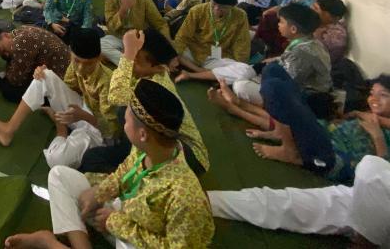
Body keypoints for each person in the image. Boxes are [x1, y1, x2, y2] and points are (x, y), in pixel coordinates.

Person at [4, 79, 214, 249]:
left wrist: (114, 222)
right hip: (125, 211)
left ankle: (49, 243)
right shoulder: (146, 148)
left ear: (142, 134)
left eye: (127, 120)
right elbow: (124, 172)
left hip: (134, 236)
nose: (123, 123)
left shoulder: (185, 197)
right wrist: (99, 194)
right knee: (59, 175)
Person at [213, 66, 389, 186]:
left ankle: (289, 150)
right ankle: (243, 109)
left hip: (330, 159)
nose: (373, 99)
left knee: (275, 89)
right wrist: (350, 118)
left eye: (383, 95)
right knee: (273, 70)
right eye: (372, 94)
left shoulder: (380, 130)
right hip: (324, 135)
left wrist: (377, 136)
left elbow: (382, 178)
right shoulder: (369, 116)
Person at [0, 28, 119, 169]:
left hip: (99, 133)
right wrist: (40, 71)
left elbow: (111, 131)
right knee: (44, 76)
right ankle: (9, 129)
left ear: (98, 58)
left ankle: (61, 128)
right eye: (76, 60)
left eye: (87, 64)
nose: (79, 68)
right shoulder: (75, 65)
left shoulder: (108, 81)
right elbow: (69, 87)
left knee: (56, 159)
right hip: (81, 109)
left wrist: (82, 115)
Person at [82, 29, 209, 176]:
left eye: (136, 61)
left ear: (158, 67)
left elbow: (116, 97)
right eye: (126, 54)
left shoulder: (156, 85)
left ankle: (131, 178)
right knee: (94, 156)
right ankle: (128, 164)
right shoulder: (149, 74)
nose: (128, 62)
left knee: (124, 113)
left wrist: (129, 53)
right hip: (154, 142)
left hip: (189, 156)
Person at [209, 155, 390, 248]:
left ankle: (366, 240)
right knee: (279, 203)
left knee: (373, 169)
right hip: (373, 199)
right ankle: (205, 200)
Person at [233, 4, 332, 105]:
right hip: (298, 91)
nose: (278, 25)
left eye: (281, 22)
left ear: (293, 29)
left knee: (241, 86)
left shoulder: (302, 51)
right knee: (248, 73)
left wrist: (261, 77)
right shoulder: (311, 43)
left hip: (304, 99)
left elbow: (286, 84)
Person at [172, 0, 253, 85]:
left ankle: (196, 74)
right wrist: (173, 58)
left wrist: (239, 66)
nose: (216, 9)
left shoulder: (240, 16)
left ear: (233, 5)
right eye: (214, 4)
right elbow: (182, 37)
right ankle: (204, 73)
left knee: (245, 70)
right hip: (193, 53)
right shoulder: (197, 10)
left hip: (218, 58)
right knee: (173, 48)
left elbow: (242, 44)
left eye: (223, 7)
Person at [101, 0, 169, 66]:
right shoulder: (111, 0)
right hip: (119, 38)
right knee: (102, 45)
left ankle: (127, 62)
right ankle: (132, 65)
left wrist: (166, 43)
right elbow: (111, 27)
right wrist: (123, 10)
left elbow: (160, 24)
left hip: (140, 40)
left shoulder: (145, 0)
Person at [0, 25, 70, 102]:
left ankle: (47, 101)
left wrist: (9, 73)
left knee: (9, 91)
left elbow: (17, 81)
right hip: (66, 67)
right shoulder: (19, 30)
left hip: (65, 83)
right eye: (2, 55)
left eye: (3, 50)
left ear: (5, 35)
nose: (6, 54)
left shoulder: (20, 45)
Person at [254, 0, 326, 56]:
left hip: (293, 30)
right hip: (282, 24)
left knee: (270, 19)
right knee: (268, 15)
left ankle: (262, 48)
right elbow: (281, 6)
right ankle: (260, 44)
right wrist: (270, 10)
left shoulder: (310, 5)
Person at [313, 0, 349, 64]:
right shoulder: (316, 23)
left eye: (316, 8)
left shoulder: (336, 36)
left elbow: (320, 61)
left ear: (330, 16)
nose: (310, 9)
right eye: (312, 6)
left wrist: (315, 38)